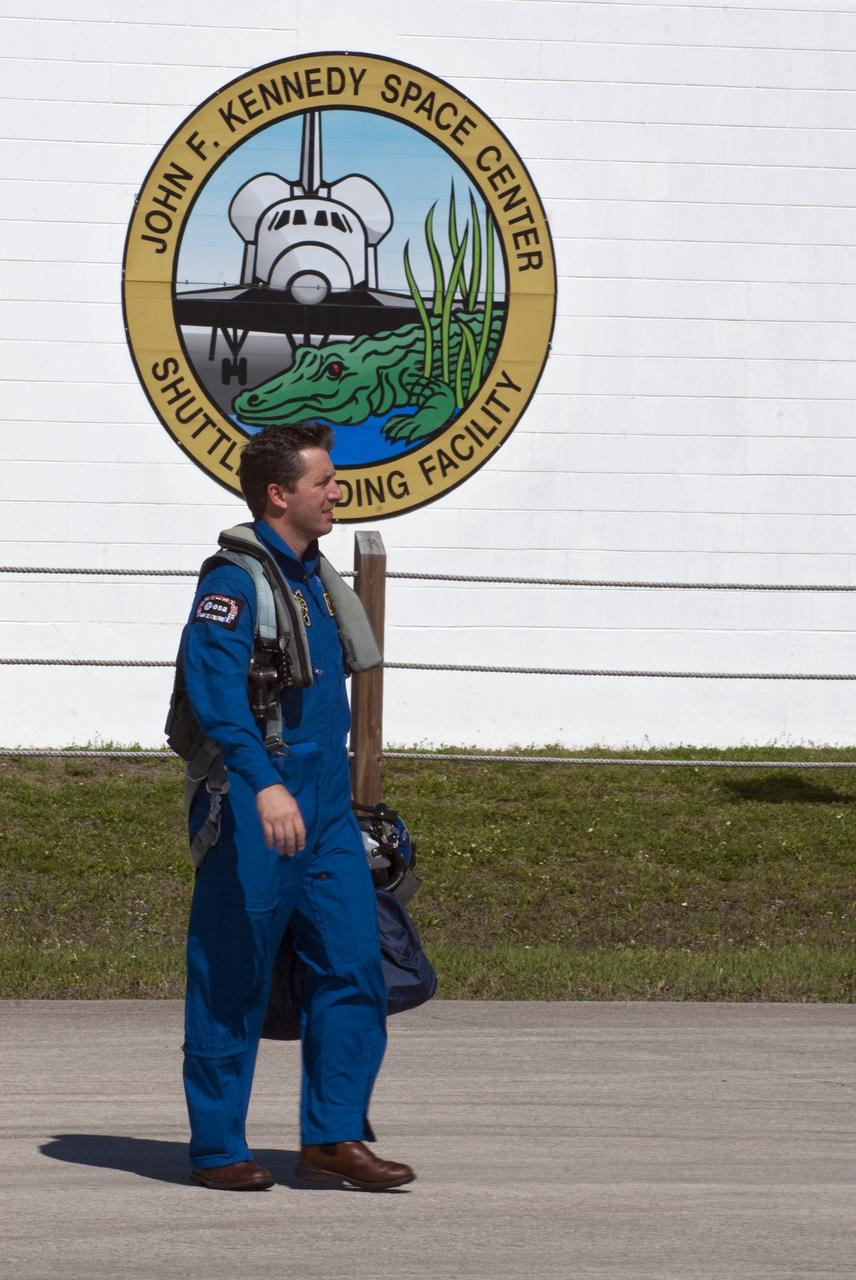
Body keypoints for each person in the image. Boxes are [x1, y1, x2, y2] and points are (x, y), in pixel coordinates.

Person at [177, 421, 414, 1192]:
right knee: (233, 974)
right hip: (257, 806)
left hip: (328, 813)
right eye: (324, 482)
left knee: (354, 967)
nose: (336, 490)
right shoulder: (233, 583)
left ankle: (332, 1136)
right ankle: (218, 1148)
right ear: (280, 495)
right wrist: (263, 784)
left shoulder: (315, 576)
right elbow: (217, 699)